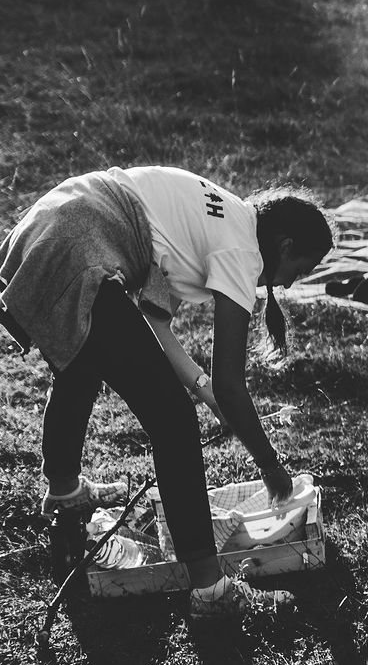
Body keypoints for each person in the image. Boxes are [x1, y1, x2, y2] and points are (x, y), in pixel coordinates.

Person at [0, 166, 331, 618]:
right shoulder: (242, 249)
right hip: (80, 238)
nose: (292, 282)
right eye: (300, 269)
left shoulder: (225, 216)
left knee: (82, 366)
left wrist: (201, 387)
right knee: (173, 419)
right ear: (285, 246)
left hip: (54, 222)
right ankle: (210, 589)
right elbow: (232, 383)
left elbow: (153, 321)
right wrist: (272, 466)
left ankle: (65, 492)